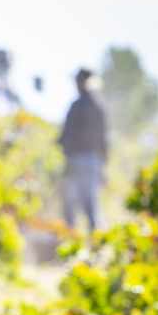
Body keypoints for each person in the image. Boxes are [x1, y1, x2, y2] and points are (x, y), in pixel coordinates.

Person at [58, 67, 109, 232]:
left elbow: (65, 135)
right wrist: (103, 165)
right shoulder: (98, 106)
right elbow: (104, 140)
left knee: (72, 202)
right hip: (92, 161)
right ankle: (90, 239)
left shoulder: (78, 106)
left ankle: (72, 236)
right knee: (89, 202)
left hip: (77, 160)